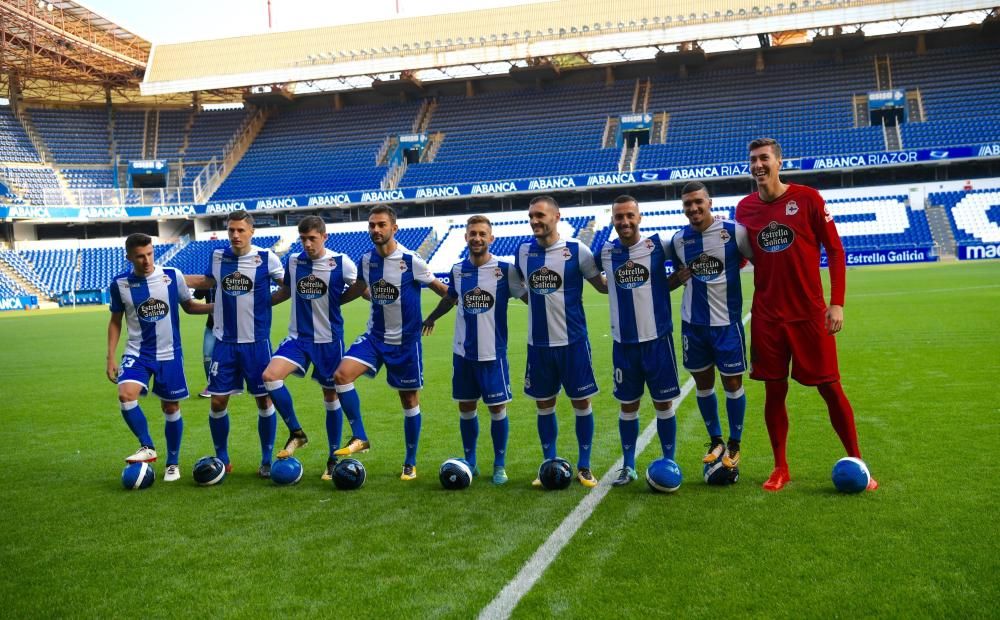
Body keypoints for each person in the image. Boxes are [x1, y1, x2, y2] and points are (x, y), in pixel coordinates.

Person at [735, 137, 877, 492]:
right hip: (767, 317)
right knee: (773, 391)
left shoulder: (808, 198)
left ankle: (859, 462)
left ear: (779, 162)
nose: (758, 165)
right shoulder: (744, 208)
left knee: (830, 387)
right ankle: (780, 467)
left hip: (809, 314)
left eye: (764, 158)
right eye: (753, 160)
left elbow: (835, 249)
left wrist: (837, 302)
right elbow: (741, 256)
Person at [330, 205, 450, 481]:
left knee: (408, 399)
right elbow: (360, 290)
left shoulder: (411, 260)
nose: (375, 230)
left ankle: (410, 461)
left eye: (381, 225)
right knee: (341, 375)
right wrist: (332, 302)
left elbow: (443, 290)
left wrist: (434, 315)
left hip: (405, 343)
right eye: (371, 225)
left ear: (394, 228)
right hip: (375, 338)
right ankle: (360, 436)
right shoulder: (366, 260)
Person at [421, 215, 526, 485]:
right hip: (463, 354)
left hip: (493, 353)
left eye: (482, 234)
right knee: (466, 407)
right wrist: (431, 317)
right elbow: (451, 298)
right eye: (472, 233)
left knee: (497, 409)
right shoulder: (458, 269)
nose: (477, 238)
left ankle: (499, 465)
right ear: (466, 237)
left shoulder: (505, 269)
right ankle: (471, 460)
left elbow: (526, 297)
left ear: (491, 238)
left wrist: (552, 302)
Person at [184, 210, 288, 479]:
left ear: (251, 231)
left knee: (264, 401)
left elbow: (287, 286)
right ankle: (222, 458)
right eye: (231, 230)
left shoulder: (267, 258)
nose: (235, 235)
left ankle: (266, 458)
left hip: (257, 343)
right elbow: (207, 281)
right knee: (217, 402)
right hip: (224, 342)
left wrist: (268, 302)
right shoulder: (219, 257)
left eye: (241, 230)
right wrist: (172, 277)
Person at [515, 195, 608, 488]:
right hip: (539, 345)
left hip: (574, 342)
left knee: (581, 402)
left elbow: (603, 287)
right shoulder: (523, 252)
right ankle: (549, 464)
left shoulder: (576, 250)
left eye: (540, 215)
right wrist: (532, 301)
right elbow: (517, 285)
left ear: (556, 216)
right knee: (544, 404)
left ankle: (584, 465)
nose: (534, 221)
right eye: (531, 216)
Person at [106, 233, 212, 482]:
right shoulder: (119, 284)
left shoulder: (172, 276)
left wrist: (220, 307)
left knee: (171, 407)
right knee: (125, 394)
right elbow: (115, 321)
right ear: (129, 257)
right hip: (138, 352)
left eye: (150, 254)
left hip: (169, 354)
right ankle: (147, 446)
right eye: (140, 257)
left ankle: (172, 463)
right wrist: (110, 357)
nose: (146, 260)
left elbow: (190, 306)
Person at [598, 195, 686, 486]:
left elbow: (674, 273)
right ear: (613, 220)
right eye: (619, 217)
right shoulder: (606, 253)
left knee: (664, 404)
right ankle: (629, 465)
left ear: (639, 217)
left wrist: (677, 279)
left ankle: (669, 460)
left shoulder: (659, 246)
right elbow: (596, 282)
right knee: (628, 406)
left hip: (657, 341)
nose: (624, 222)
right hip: (624, 345)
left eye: (629, 216)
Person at [263, 216, 360, 481]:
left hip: (329, 340)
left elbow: (361, 288)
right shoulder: (294, 262)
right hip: (298, 337)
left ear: (324, 237)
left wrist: (340, 300)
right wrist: (261, 305)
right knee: (270, 377)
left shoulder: (341, 262)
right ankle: (297, 433)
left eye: (312, 239)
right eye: (303, 238)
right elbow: (285, 291)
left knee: (331, 396)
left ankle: (333, 457)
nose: (307, 244)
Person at [670, 182, 753, 473]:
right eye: (687, 204)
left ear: (709, 202)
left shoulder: (734, 232)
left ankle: (735, 442)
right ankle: (715, 440)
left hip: (726, 325)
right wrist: (677, 278)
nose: (693, 208)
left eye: (697, 202)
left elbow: (759, 264)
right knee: (703, 385)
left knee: (732, 384)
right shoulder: (678, 240)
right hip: (693, 326)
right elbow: (670, 280)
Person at [193, 286, 215, 398]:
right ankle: (212, 387)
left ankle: (234, 385)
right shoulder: (208, 281)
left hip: (231, 328)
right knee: (207, 356)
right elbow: (197, 296)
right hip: (212, 326)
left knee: (233, 356)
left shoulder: (230, 280)